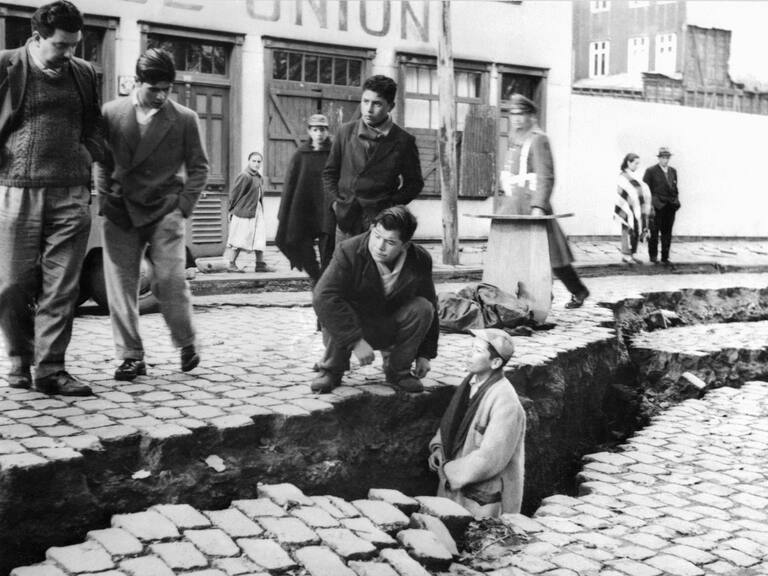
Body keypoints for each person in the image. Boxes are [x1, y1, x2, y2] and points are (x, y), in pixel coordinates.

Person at [0, 0, 104, 396]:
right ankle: (19, 358)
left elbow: (94, 124)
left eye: (75, 45)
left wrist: (88, 153)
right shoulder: (7, 65)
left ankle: (51, 369)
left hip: (71, 194)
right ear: (37, 37)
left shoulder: (83, 73)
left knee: (62, 286)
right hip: (15, 191)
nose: (69, 54)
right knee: (11, 286)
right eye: (61, 45)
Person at [95, 48, 208, 382]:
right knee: (121, 286)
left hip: (164, 211)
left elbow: (199, 168)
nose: (161, 96)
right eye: (153, 88)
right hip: (120, 210)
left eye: (167, 89)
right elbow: (102, 162)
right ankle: (130, 356)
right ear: (137, 82)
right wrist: (105, 201)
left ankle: (186, 341)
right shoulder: (111, 113)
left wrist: (182, 208)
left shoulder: (185, 118)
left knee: (171, 282)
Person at [312, 206, 439, 394]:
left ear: (405, 245)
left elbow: (431, 304)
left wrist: (425, 354)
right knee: (336, 303)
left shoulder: (419, 259)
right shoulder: (349, 250)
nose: (379, 246)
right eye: (377, 236)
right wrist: (355, 341)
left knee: (423, 307)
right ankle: (331, 369)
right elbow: (323, 297)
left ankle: (399, 371)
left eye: (390, 242)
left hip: (388, 324)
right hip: (350, 325)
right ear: (371, 229)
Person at [499, 94, 589, 309]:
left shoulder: (538, 139)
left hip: (532, 205)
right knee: (523, 255)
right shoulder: (515, 140)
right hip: (513, 205)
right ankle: (535, 297)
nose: (517, 119)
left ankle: (563, 293)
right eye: (513, 114)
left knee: (547, 256)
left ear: (531, 116)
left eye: (522, 114)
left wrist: (538, 206)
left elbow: (546, 175)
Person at [428, 328, 526, 518]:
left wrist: (448, 470)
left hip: (481, 493)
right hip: (454, 477)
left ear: (496, 362)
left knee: (474, 541)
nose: (469, 354)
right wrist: (439, 447)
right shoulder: (470, 384)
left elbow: (490, 457)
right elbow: (452, 422)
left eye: (478, 351)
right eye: (471, 348)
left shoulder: (505, 401)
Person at [323, 75, 424, 242]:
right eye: (365, 101)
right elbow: (329, 173)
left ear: (390, 106)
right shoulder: (345, 132)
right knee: (344, 265)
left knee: (373, 266)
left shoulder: (404, 141)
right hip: (345, 219)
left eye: (377, 104)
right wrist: (336, 202)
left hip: (380, 224)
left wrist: (389, 206)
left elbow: (414, 183)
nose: (369, 109)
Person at [275, 114, 333, 282]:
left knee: (328, 255)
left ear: (327, 131)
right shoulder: (300, 154)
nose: (319, 134)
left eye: (322, 130)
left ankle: (325, 286)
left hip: (327, 212)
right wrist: (286, 212)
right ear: (309, 131)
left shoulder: (334, 153)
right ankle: (316, 279)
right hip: (304, 211)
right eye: (315, 130)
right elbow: (290, 186)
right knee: (305, 251)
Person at [224, 151, 275, 273]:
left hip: (256, 212)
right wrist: (230, 210)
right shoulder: (244, 176)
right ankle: (231, 264)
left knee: (259, 237)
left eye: (259, 161)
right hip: (243, 212)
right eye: (254, 161)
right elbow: (235, 194)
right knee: (239, 237)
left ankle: (260, 264)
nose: (256, 164)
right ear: (249, 161)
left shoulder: (259, 177)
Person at [644, 147, 680, 266]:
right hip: (657, 206)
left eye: (667, 158)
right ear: (659, 158)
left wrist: (676, 202)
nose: (665, 160)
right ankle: (653, 256)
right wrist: (650, 205)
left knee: (667, 232)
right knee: (654, 232)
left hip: (670, 206)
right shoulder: (651, 171)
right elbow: (645, 190)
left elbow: (675, 188)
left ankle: (665, 257)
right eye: (663, 157)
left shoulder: (673, 171)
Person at [614, 153, 651, 264]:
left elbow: (640, 188)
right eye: (635, 163)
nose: (637, 166)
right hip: (626, 207)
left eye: (638, 163)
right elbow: (627, 191)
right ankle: (626, 255)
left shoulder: (632, 175)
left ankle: (632, 254)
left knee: (635, 229)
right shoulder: (623, 176)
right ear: (628, 162)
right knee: (627, 229)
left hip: (634, 207)